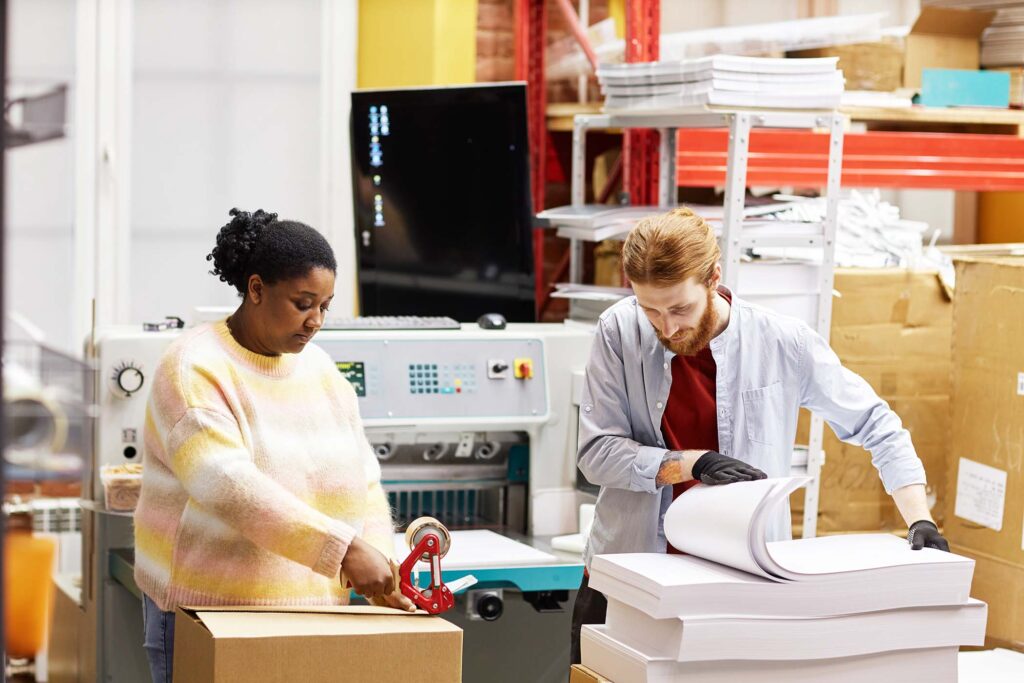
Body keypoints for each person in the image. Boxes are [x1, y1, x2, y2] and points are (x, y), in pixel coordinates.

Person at [569, 207, 948, 664]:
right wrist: (691, 463)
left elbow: (875, 422)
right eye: (650, 309)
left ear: (713, 277)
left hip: (737, 585)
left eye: (680, 308)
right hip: (627, 577)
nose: (666, 328)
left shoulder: (783, 343)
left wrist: (918, 518)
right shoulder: (618, 330)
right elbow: (596, 453)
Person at [133, 208, 412, 683]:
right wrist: (343, 552)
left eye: (325, 305)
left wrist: (382, 566)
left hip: (318, 614)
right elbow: (226, 484)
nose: (316, 321)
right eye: (303, 303)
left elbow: (363, 479)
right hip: (211, 613)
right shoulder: (193, 368)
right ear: (257, 289)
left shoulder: (322, 371)